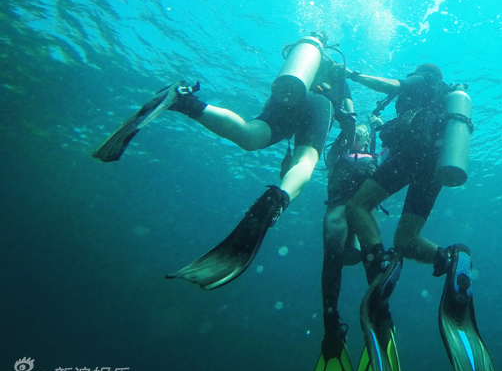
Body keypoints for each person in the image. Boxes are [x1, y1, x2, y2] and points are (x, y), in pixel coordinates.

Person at [93, 32, 355, 291]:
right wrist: (346, 130)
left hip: (288, 93)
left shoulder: (300, 57)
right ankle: (275, 200)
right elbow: (350, 116)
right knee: (305, 160)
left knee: (250, 135)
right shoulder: (337, 69)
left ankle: (184, 101)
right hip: (320, 104)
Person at [344, 63, 497, 371]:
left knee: (357, 205)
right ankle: (451, 258)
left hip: (411, 155)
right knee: (406, 239)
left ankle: (378, 259)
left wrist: (354, 75)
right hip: (437, 164)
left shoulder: (422, 80)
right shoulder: (446, 103)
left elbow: (391, 85)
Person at [309, 121, 381, 371]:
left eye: (364, 136)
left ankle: (376, 316)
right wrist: (349, 126)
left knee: (373, 257)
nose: (360, 139)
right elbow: (336, 148)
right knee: (333, 257)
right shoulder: (336, 155)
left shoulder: (373, 156)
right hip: (341, 210)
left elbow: (387, 164)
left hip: (360, 212)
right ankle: (332, 324)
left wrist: (377, 132)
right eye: (357, 135)